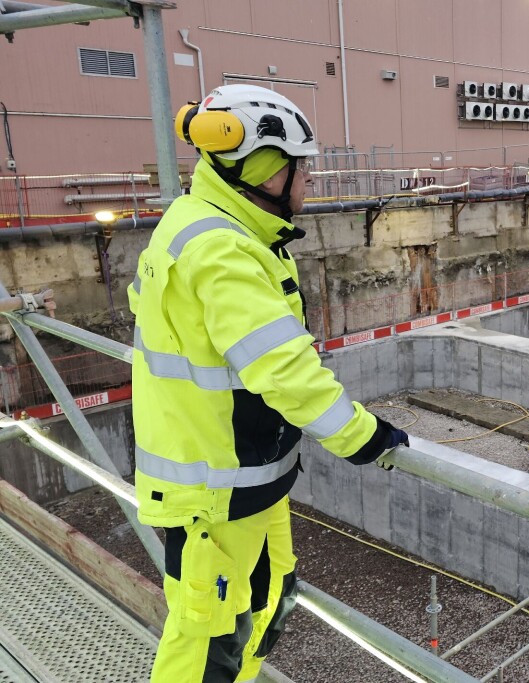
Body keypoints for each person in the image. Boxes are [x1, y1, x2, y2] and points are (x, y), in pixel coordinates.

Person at [129, 84, 409, 683]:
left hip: (248, 476)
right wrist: (367, 437)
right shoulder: (220, 249)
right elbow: (282, 370)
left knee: (270, 596)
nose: (308, 178)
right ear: (261, 170)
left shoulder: (221, 226)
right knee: (207, 639)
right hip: (214, 489)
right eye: (299, 166)